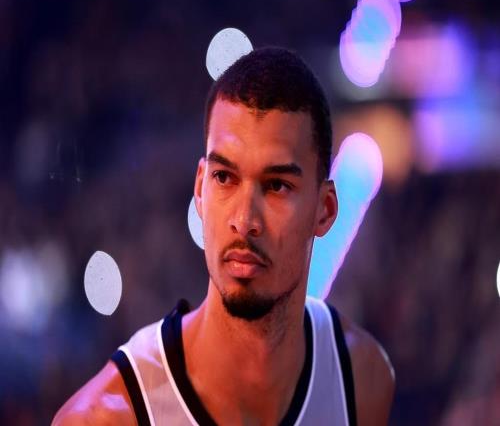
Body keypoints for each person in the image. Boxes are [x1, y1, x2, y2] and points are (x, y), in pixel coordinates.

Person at [53, 47, 394, 426]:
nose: (244, 220)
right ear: (200, 190)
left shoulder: (363, 379)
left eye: (277, 185)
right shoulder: (103, 417)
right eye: (224, 177)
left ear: (325, 209)